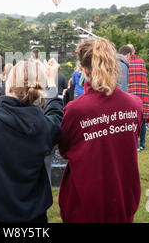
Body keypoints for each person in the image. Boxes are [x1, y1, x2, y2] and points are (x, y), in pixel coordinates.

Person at [0, 59, 63, 223]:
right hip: (33, 217)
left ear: (9, 86)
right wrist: (52, 83)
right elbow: (56, 117)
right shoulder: (42, 126)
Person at [59, 37, 143, 223]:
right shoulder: (135, 105)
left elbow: (64, 150)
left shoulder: (75, 109)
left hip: (85, 202)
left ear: (85, 69)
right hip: (122, 199)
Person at [127, 44, 149, 151]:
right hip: (142, 94)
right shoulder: (141, 62)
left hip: (130, 94)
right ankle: (142, 144)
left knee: (132, 120)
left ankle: (135, 144)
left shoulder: (125, 63)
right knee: (142, 120)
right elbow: (145, 78)